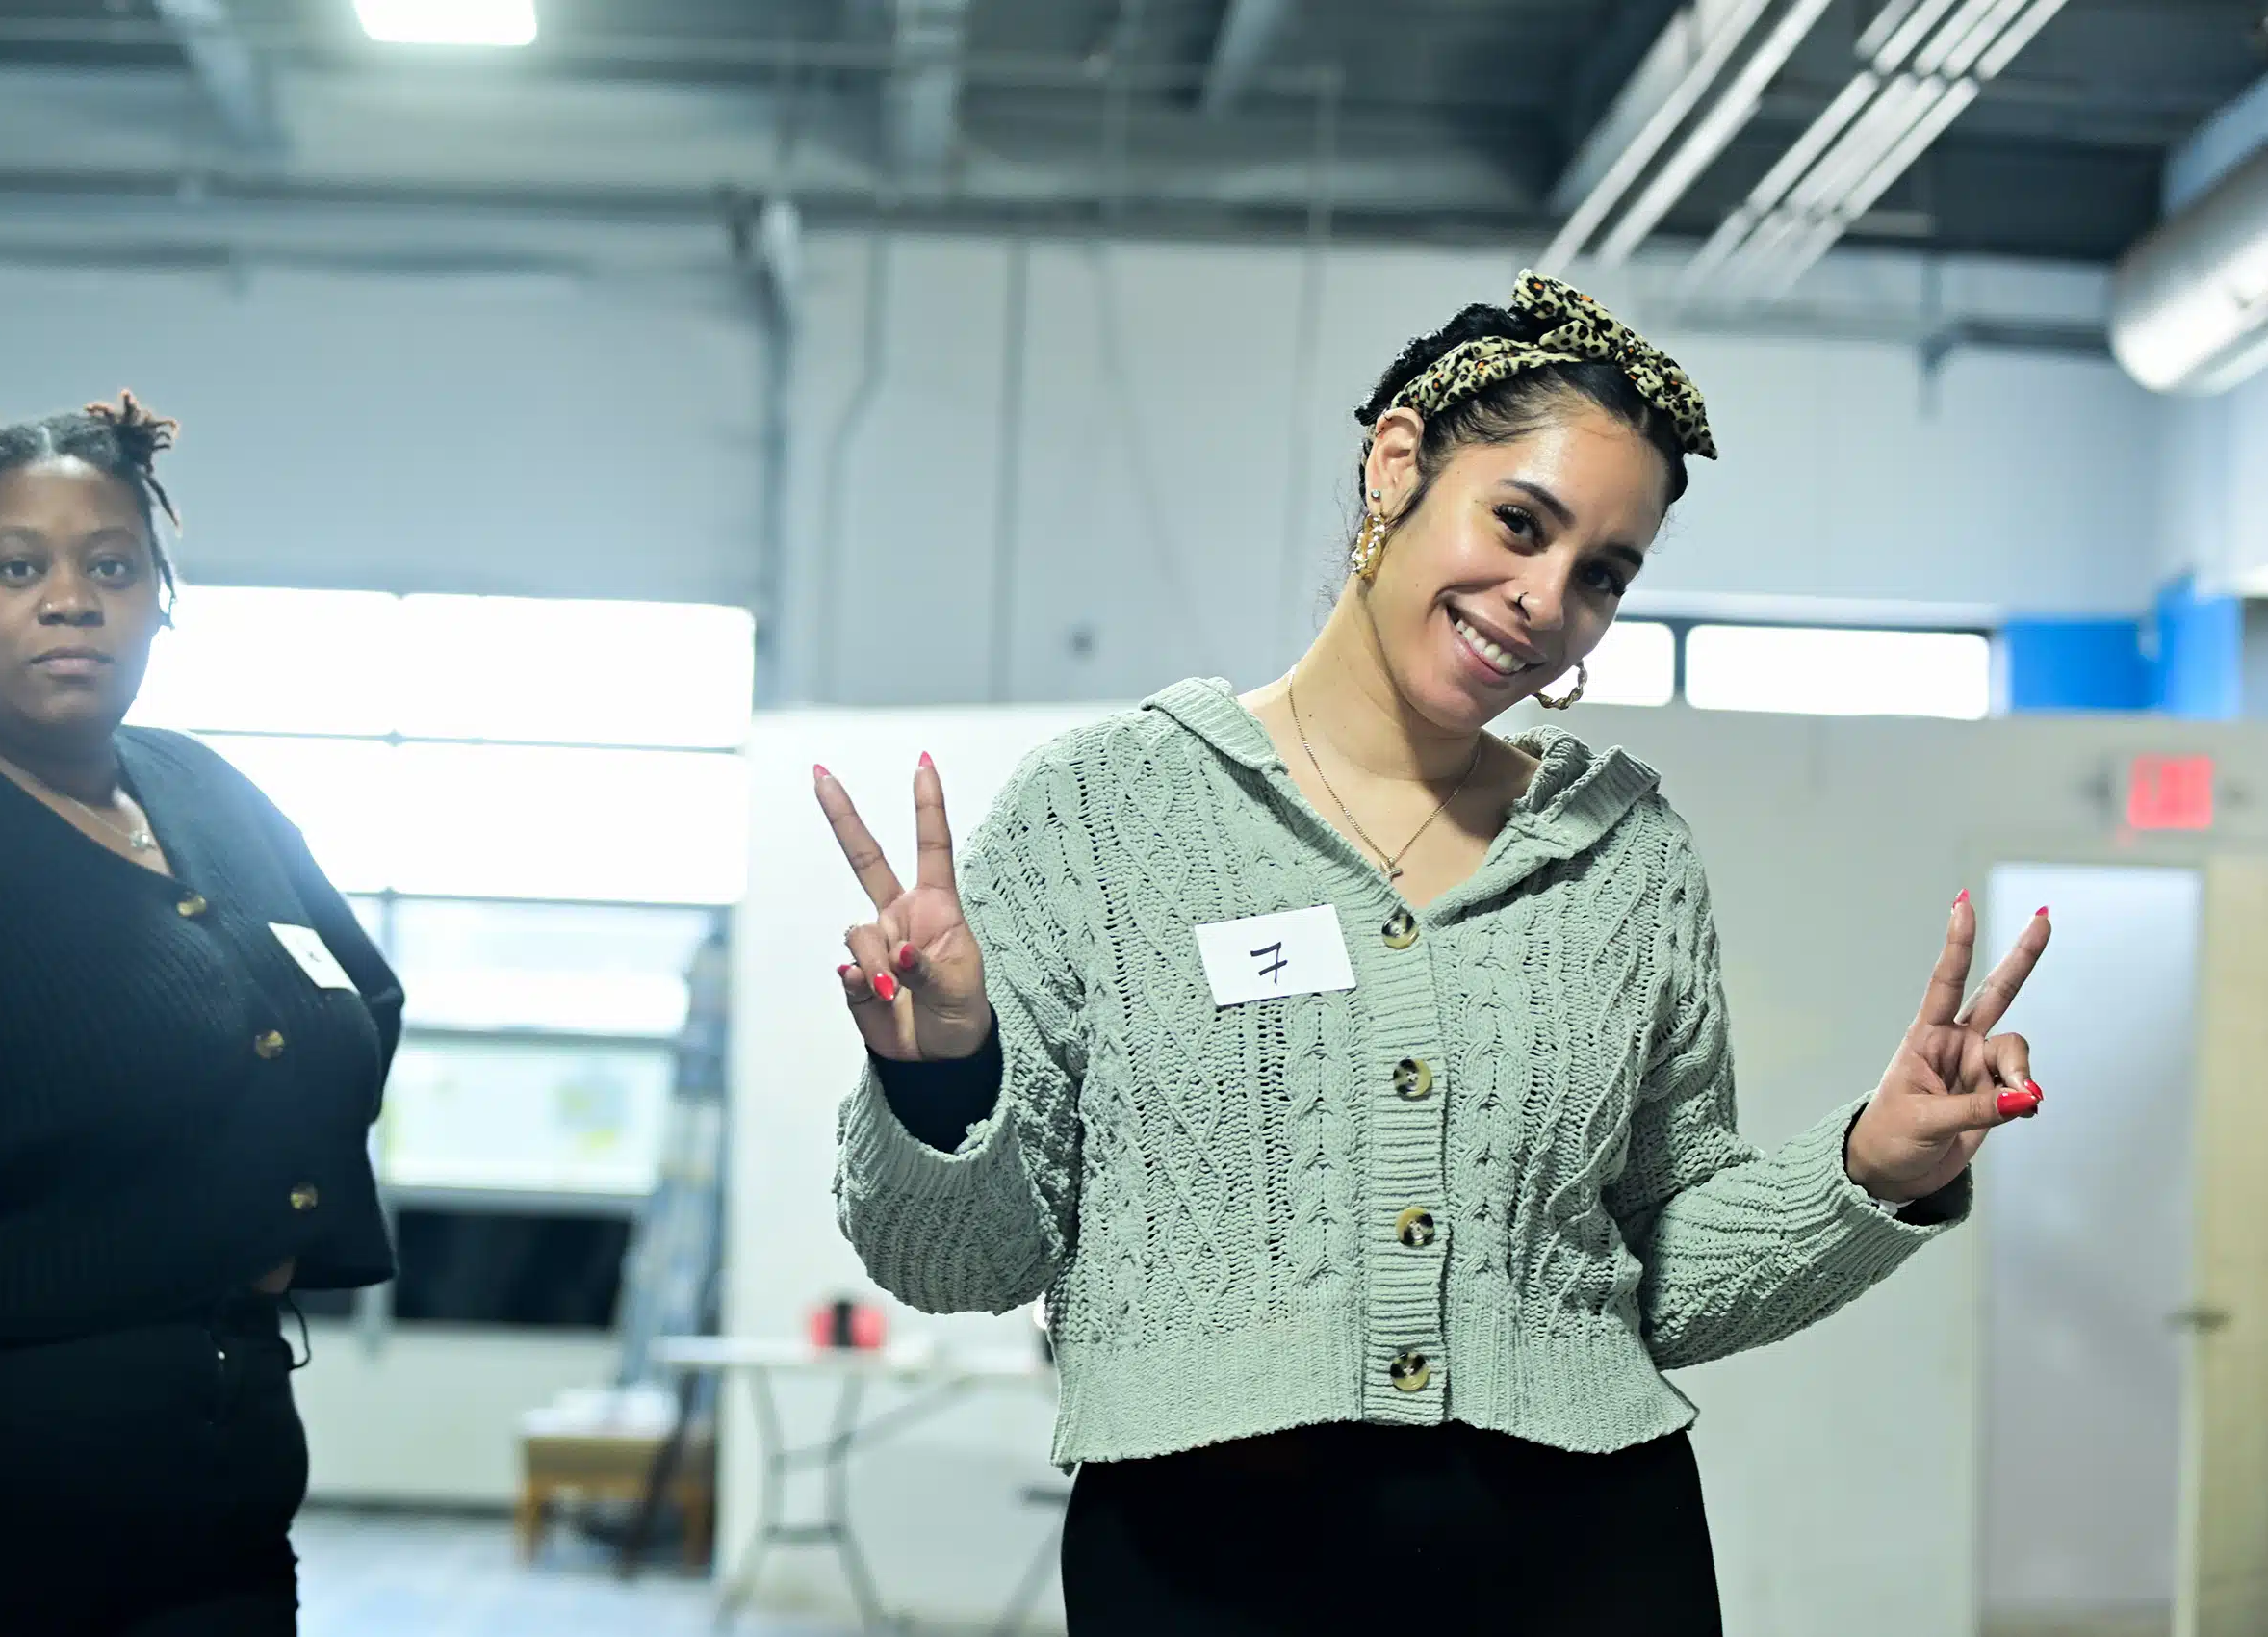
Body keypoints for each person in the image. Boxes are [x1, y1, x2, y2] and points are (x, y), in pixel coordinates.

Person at [813, 273, 2051, 1635]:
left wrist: (1872, 1166)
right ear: (1396, 463)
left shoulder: (1625, 861)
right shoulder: (1103, 816)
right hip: (1205, 1571)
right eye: (1519, 523)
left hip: (1589, 1563)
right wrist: (939, 1075)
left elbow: (1654, 1272)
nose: (1543, 601)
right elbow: (959, 1266)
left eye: (1601, 576)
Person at [0, 397, 401, 1637]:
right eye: (16, 567)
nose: (71, 601)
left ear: (157, 602)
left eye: (113, 568)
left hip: (223, 1529)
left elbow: (360, 1000)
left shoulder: (205, 791)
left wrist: (279, 1213)